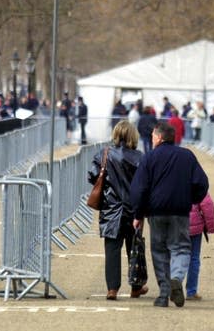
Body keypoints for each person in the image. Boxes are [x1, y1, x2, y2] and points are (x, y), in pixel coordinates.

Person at [130, 122, 209, 308]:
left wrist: (138, 214)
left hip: (156, 212)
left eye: (152, 137)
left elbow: (139, 189)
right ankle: (177, 277)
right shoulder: (187, 156)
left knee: (159, 251)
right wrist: (191, 199)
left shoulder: (149, 158)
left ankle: (164, 294)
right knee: (181, 248)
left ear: (159, 137)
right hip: (180, 211)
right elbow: (202, 183)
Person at [88, 120, 148, 301]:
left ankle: (112, 289)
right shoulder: (140, 157)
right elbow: (145, 184)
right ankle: (136, 287)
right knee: (135, 247)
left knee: (112, 249)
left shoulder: (104, 154)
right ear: (133, 136)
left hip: (111, 208)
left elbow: (92, 176)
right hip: (133, 208)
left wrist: (107, 189)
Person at [186, 193, 214, 301]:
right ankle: (191, 291)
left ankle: (173, 288)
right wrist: (210, 227)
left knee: (175, 255)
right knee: (194, 258)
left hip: (177, 224)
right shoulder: (197, 179)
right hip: (195, 226)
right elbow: (207, 205)